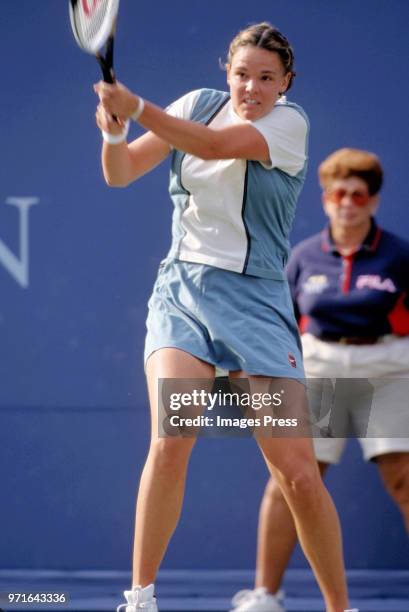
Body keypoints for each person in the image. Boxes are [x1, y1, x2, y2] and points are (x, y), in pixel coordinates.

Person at [94, 23, 357, 612]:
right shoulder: (194, 106)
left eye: (267, 78)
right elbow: (120, 173)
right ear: (226, 72)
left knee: (296, 472)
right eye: (242, 74)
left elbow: (213, 147)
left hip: (256, 309)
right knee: (171, 436)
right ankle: (140, 600)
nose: (252, 88)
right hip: (181, 296)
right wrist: (115, 135)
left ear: (285, 82)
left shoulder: (291, 126)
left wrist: (135, 107)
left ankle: (341, 608)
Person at [230, 148, 409, 612]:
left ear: (372, 201)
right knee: (293, 479)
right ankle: (266, 594)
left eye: (357, 193)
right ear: (325, 199)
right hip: (320, 366)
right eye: (337, 193)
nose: (347, 202)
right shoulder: (304, 257)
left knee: (405, 478)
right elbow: (276, 323)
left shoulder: (399, 255)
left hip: (388, 366)